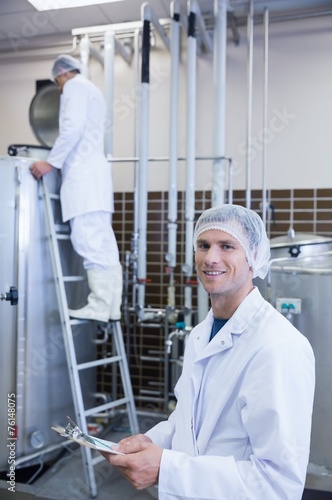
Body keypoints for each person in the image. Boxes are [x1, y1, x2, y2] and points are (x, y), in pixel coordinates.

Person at [103, 204, 315, 499]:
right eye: (203, 245)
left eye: (226, 246)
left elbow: (277, 484)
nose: (210, 258)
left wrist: (167, 468)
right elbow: (187, 420)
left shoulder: (277, 347)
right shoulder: (202, 334)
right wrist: (149, 442)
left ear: (253, 257)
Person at [30, 54, 122, 323]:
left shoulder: (74, 87)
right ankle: (111, 306)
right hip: (96, 181)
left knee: (88, 241)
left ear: (62, 74)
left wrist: (51, 163)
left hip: (83, 180)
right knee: (103, 245)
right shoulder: (91, 89)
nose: (59, 88)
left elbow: (71, 128)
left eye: (57, 82)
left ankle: (100, 305)